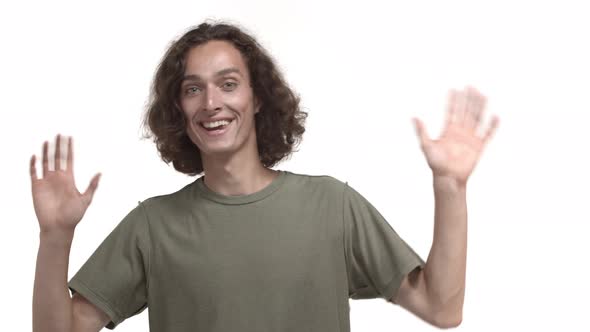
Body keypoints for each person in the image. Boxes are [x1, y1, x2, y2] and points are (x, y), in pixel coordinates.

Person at [31, 22, 499, 332]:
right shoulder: (153, 226)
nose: (211, 101)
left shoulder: (332, 206)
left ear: (257, 99)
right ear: (180, 109)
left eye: (228, 83)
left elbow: (441, 307)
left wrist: (450, 189)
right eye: (193, 89)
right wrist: (55, 237)